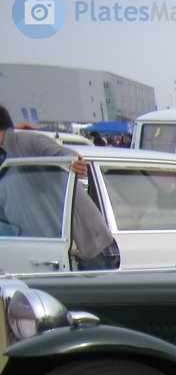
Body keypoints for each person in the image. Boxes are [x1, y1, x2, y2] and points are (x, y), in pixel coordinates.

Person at [0, 104, 119, 269]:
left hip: (87, 248)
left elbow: (65, 156)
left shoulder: (25, 141)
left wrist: (75, 163)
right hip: (48, 251)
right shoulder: (5, 163)